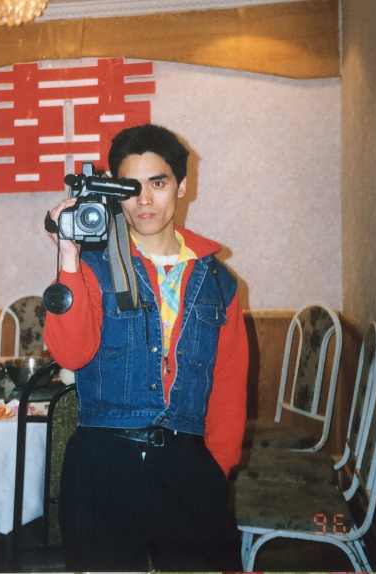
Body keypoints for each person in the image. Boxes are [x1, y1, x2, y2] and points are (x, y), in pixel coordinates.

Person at [43, 124, 248, 571]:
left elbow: (229, 385)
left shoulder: (219, 281)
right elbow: (71, 355)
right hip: (102, 465)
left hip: (188, 467)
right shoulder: (92, 265)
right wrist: (68, 256)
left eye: (158, 183)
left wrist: (216, 467)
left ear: (182, 186)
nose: (145, 200)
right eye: (130, 188)